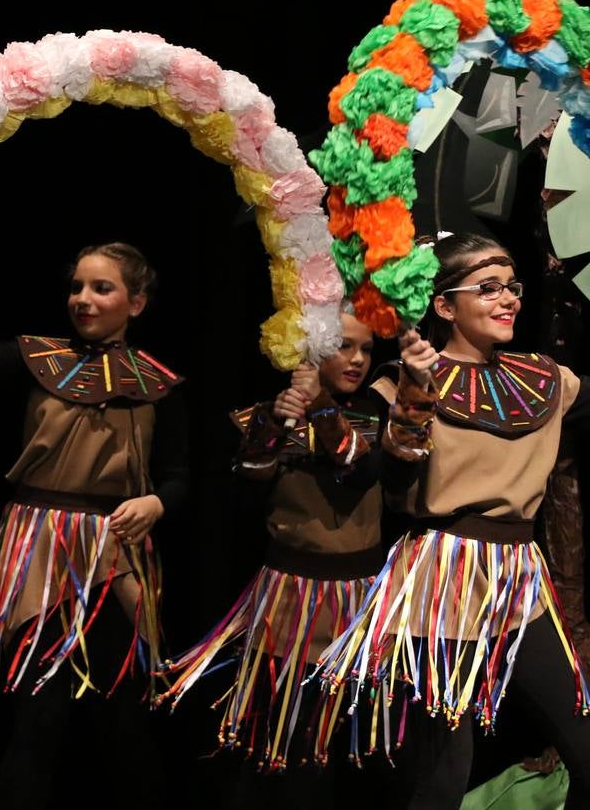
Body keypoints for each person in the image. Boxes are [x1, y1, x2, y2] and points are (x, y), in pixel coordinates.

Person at [317, 233, 590, 809]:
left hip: (518, 582)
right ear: (445, 307)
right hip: (442, 580)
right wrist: (416, 395)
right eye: (487, 288)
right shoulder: (398, 383)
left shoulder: (543, 377)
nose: (509, 299)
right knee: (444, 774)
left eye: (512, 287)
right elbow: (379, 485)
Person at [0, 242, 188, 808]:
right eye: (77, 287)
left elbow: (181, 476)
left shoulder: (159, 383)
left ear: (136, 303)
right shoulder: (37, 358)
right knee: (37, 717)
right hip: (39, 553)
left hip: (113, 553)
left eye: (101, 288)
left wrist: (157, 504)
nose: (83, 299)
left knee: (121, 720)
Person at [159, 311, 384, 808]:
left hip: (357, 606)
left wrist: (323, 407)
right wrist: (271, 422)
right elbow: (243, 494)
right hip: (288, 602)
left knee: (338, 746)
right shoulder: (269, 416)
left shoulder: (377, 412)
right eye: (344, 347)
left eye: (366, 350)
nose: (358, 360)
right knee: (279, 737)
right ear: (310, 351)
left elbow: (362, 471)